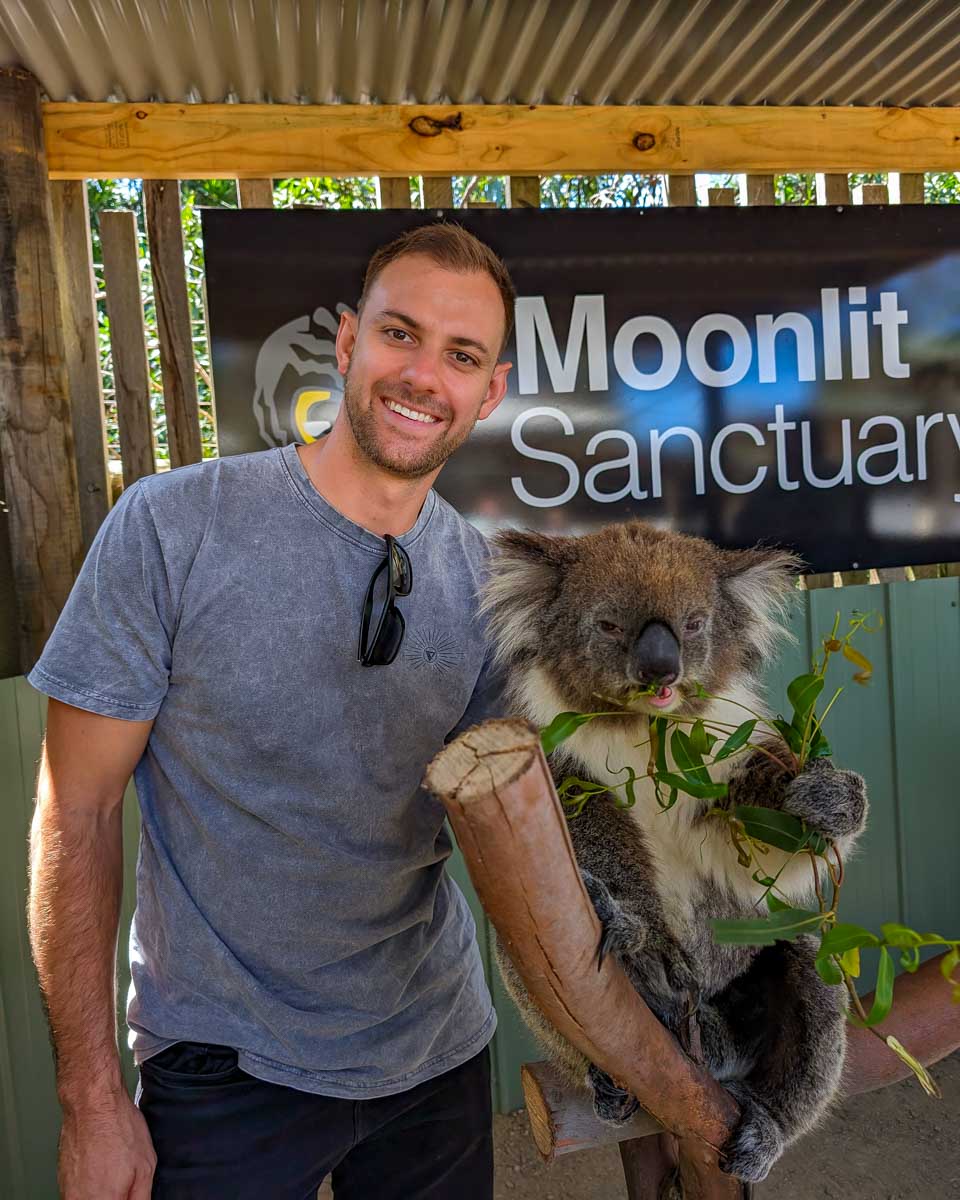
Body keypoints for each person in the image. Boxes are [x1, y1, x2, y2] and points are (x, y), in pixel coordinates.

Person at [27, 221, 516, 1200]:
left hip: (437, 1050)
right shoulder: (174, 529)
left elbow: (538, 829)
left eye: (460, 356)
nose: (423, 375)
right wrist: (90, 1101)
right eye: (399, 335)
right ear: (346, 342)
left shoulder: (494, 587)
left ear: (489, 392)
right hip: (223, 1066)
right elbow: (74, 814)